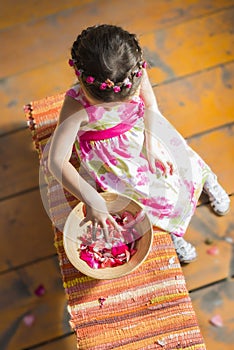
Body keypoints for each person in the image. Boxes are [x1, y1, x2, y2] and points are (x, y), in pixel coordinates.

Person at [48, 24, 230, 264]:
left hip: (145, 131)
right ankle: (171, 230)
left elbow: (151, 106)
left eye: (127, 99)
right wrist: (92, 199)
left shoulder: (134, 73)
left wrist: (151, 143)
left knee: (183, 164)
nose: (118, 107)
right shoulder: (75, 105)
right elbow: (56, 161)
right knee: (144, 197)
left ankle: (207, 181)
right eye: (106, 106)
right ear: (80, 81)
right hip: (109, 153)